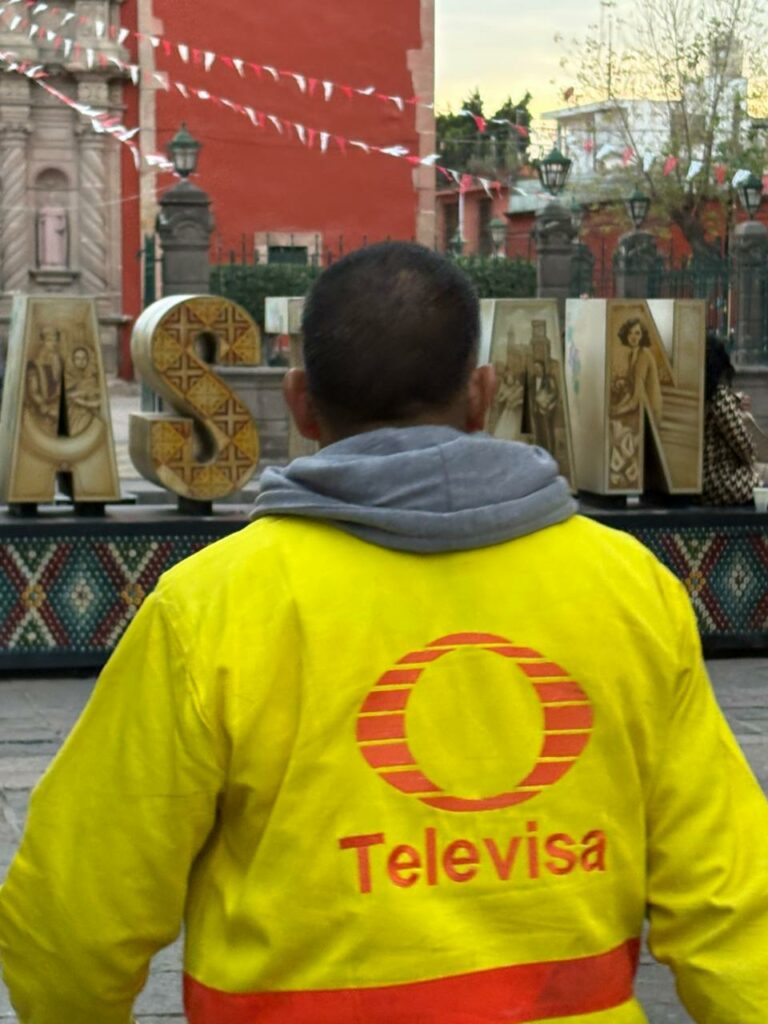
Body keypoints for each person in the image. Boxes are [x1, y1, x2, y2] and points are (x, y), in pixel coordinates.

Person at [1, 242, 767, 1024]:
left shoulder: (209, 608)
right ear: (482, 395)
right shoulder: (629, 588)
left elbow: (74, 913)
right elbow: (735, 905)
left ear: (301, 403)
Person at [702, 332, 760, 505]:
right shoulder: (720, 397)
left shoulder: (701, 393)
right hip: (721, 480)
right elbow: (745, 447)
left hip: (701, 480)